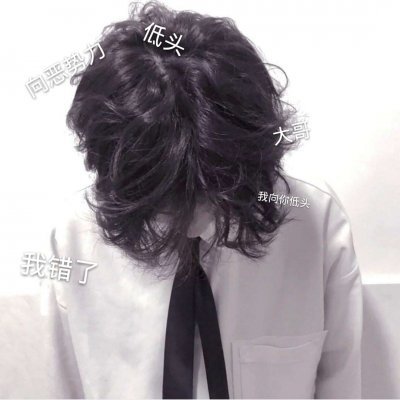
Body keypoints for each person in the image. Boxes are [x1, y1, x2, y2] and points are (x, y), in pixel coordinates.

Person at [40, 1, 363, 398]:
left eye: (208, 188)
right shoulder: (74, 236)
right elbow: (63, 385)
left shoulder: (313, 220)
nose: (189, 214)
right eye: (166, 194)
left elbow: (341, 380)